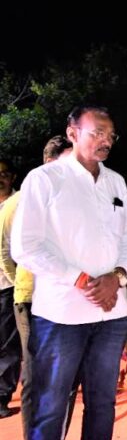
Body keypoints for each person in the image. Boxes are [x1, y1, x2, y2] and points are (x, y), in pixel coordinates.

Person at [12, 105, 127, 440]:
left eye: (110, 135)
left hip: (111, 315)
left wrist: (117, 276)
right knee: (50, 410)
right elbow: (25, 247)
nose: (105, 141)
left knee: (102, 407)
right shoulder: (45, 179)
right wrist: (81, 279)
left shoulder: (116, 182)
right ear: (72, 132)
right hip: (61, 317)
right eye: (97, 131)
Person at [1, 137, 79, 440]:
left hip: (70, 302)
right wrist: (24, 282)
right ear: (48, 163)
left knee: (67, 380)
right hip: (32, 301)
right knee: (38, 381)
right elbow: (4, 251)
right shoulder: (18, 203)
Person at [0, 157, 20, 418]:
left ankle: (2, 395)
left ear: (13, 177)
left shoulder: (21, 204)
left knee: (7, 344)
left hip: (8, 284)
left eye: (4, 174)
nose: (0, 178)